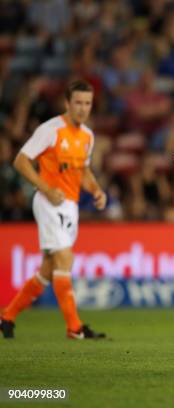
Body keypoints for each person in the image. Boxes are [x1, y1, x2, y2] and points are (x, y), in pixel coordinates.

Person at [0, 80, 107, 340]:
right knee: (64, 259)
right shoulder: (51, 130)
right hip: (49, 203)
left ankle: (7, 316)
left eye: (87, 103)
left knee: (48, 269)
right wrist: (45, 188)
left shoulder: (88, 137)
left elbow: (83, 170)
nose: (83, 108)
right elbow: (21, 161)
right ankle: (74, 328)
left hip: (70, 207)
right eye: (78, 103)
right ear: (67, 104)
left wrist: (96, 190)